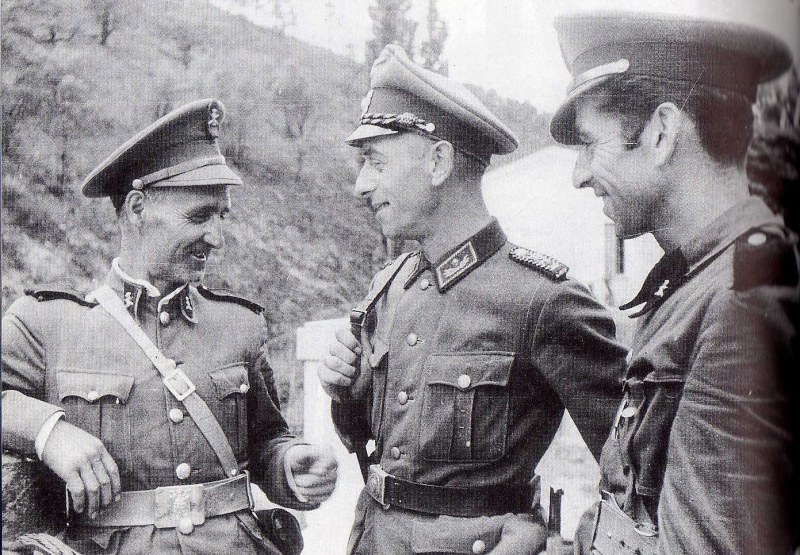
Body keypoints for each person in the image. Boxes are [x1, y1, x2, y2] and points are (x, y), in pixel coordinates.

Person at [318, 45, 627, 555]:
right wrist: (343, 393)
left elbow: (637, 476)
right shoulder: (390, 287)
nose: (360, 186)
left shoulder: (544, 300)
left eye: (375, 162)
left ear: (438, 162)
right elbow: (373, 443)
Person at [1, 99, 338, 555]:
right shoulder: (46, 323)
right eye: (199, 217)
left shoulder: (239, 325)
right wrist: (49, 433)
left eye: (222, 217)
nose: (217, 238)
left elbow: (266, 440)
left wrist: (291, 465)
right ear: (137, 207)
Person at [549, 11, 799, 554]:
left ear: (661, 133)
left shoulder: (742, 301)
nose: (579, 175)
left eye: (590, 144)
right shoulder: (698, 282)